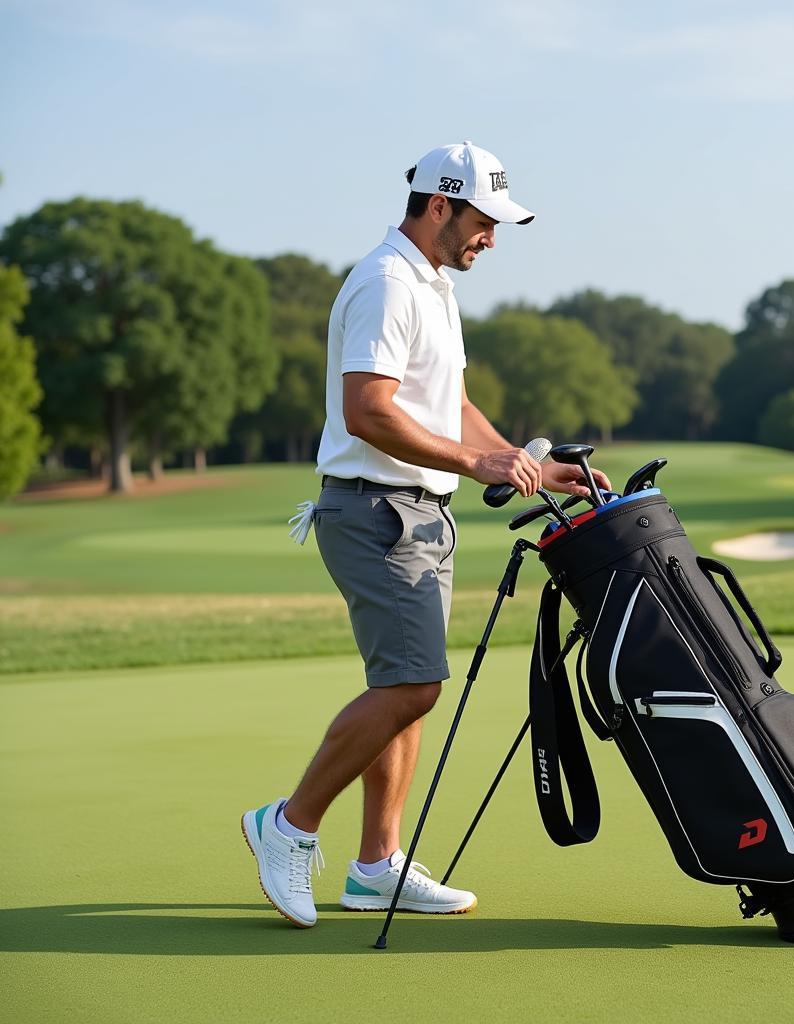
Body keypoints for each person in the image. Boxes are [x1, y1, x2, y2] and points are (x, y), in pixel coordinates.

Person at [242, 141, 610, 927]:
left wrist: (525, 465)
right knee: (412, 686)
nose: (492, 238)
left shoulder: (433, 284)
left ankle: (376, 865)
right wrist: (478, 462)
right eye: (483, 220)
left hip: (420, 513)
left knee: (405, 687)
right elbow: (367, 410)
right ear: (438, 205)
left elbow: (450, 408)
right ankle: (288, 825)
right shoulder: (384, 282)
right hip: (375, 510)